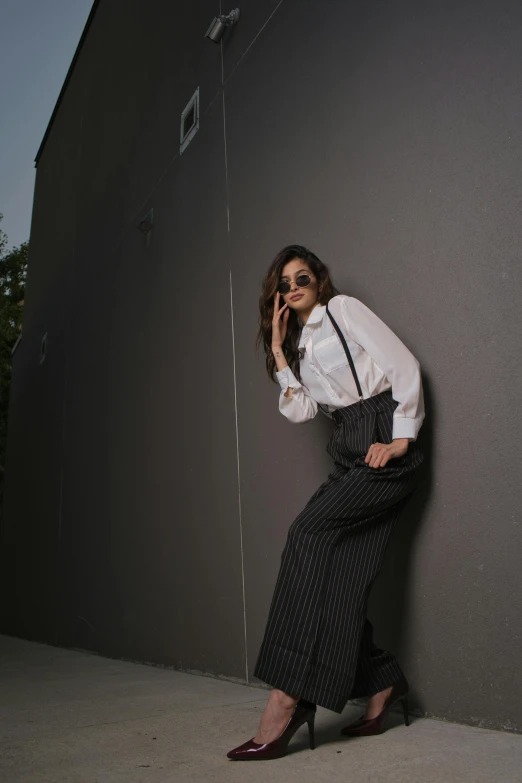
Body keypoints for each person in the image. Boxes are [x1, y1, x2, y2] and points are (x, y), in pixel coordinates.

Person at [227, 245, 425, 761]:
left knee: (306, 535)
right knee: (338, 578)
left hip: (383, 443)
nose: (294, 288)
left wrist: (401, 437)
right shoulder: (300, 344)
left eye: (303, 278)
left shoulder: (343, 311)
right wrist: (277, 349)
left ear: (319, 281)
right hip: (349, 449)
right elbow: (305, 411)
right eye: (285, 284)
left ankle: (287, 698)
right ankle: (381, 682)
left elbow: (402, 364)